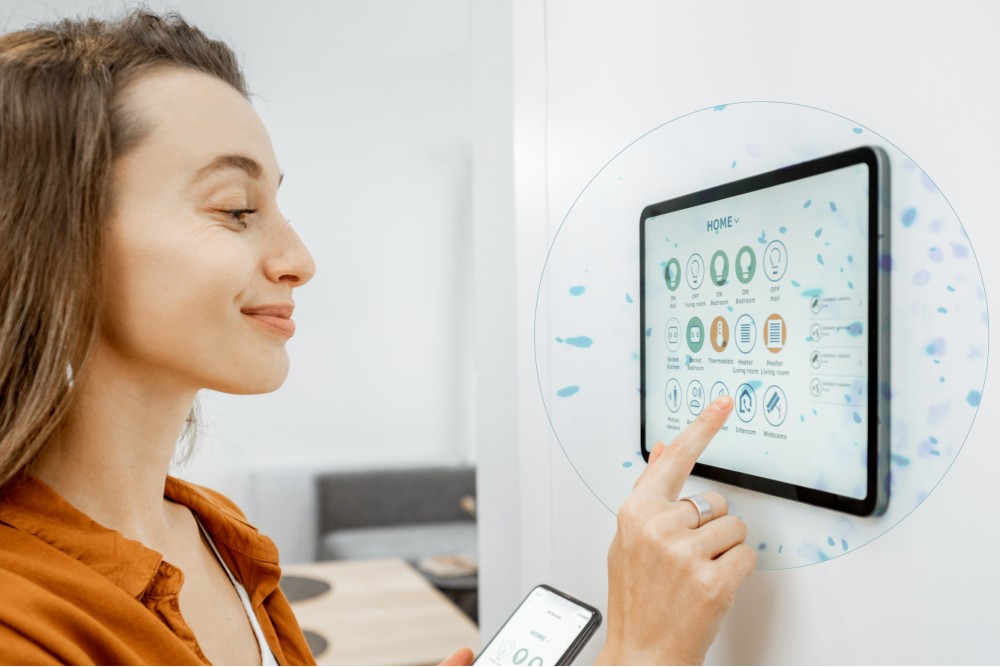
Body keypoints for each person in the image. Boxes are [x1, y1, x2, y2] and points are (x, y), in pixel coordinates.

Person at [0, 9, 753, 666]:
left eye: (276, 207)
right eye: (235, 209)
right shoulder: (19, 623)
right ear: (55, 241)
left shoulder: (220, 537)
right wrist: (642, 655)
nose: (298, 261)